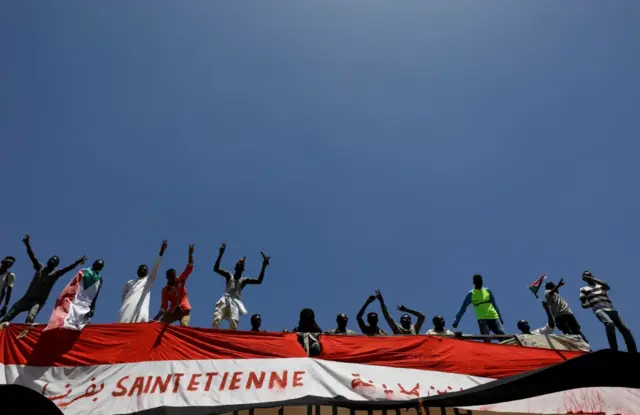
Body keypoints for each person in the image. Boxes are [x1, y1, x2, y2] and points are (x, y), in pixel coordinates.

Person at [1, 234, 86, 324]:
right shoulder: (39, 268)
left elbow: (67, 269)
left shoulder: (55, 274)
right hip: (26, 299)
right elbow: (32, 256)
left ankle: (25, 331)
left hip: (37, 302)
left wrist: (77, 262)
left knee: (30, 317)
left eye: (54, 261)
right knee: (11, 313)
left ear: (56, 265)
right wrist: (27, 244)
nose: (51, 261)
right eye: (51, 259)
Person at [211, 243, 270, 330]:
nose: (240, 264)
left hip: (235, 302)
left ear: (243, 269)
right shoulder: (228, 275)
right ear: (235, 267)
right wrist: (220, 254)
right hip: (225, 300)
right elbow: (216, 269)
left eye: (242, 264)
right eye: (239, 263)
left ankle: (231, 339)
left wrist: (264, 266)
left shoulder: (243, 281)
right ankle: (212, 335)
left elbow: (259, 281)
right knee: (217, 319)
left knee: (234, 323)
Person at [579, 270, 636, 353]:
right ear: (584, 279)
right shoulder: (583, 289)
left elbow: (607, 286)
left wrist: (593, 279)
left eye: (589, 275)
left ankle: (632, 350)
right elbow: (583, 305)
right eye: (586, 276)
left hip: (611, 309)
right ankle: (614, 349)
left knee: (625, 329)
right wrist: (591, 304)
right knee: (609, 324)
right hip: (599, 310)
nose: (588, 276)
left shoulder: (600, 285)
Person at [45, 259, 104, 331]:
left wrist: (92, 308)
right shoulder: (83, 271)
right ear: (93, 264)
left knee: (80, 326)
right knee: (68, 320)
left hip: (86, 305)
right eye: (97, 264)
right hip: (75, 301)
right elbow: (72, 284)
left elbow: (96, 295)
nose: (98, 266)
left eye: (100, 266)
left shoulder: (100, 279)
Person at [118, 240, 168, 323]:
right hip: (128, 305)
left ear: (147, 272)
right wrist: (124, 303)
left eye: (145, 269)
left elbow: (155, 268)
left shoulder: (148, 280)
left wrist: (161, 253)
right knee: (124, 320)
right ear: (137, 271)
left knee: (139, 321)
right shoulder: (130, 282)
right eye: (141, 269)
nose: (143, 270)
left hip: (141, 307)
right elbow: (124, 294)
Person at [153, 244, 195, 326]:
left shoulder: (181, 280)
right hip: (172, 311)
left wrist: (190, 254)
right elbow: (163, 307)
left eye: (174, 275)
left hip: (184, 310)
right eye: (171, 276)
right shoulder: (165, 290)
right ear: (167, 277)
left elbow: (189, 268)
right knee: (160, 325)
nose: (173, 277)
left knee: (184, 325)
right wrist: (156, 318)